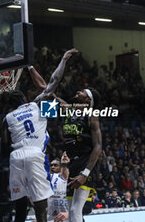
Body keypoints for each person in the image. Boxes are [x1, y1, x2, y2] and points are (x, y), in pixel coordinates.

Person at [0, 49, 78, 222]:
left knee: (20, 208)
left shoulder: (7, 118)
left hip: (15, 157)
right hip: (34, 155)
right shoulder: (37, 107)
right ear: (22, 99)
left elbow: (4, 147)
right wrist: (63, 60)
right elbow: (51, 83)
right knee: (41, 207)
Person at [54, 87, 102, 222]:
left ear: (87, 100)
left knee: (75, 210)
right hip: (70, 164)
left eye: (82, 92)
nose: (78, 92)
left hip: (85, 163)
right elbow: (48, 90)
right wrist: (30, 68)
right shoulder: (69, 111)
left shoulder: (91, 115)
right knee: (69, 211)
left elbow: (98, 147)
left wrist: (85, 173)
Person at [47, 152, 70, 222]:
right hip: (51, 218)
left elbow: (65, 173)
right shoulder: (49, 177)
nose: (52, 167)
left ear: (61, 167)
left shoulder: (67, 176)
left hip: (68, 216)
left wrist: (64, 163)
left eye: (55, 165)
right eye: (51, 165)